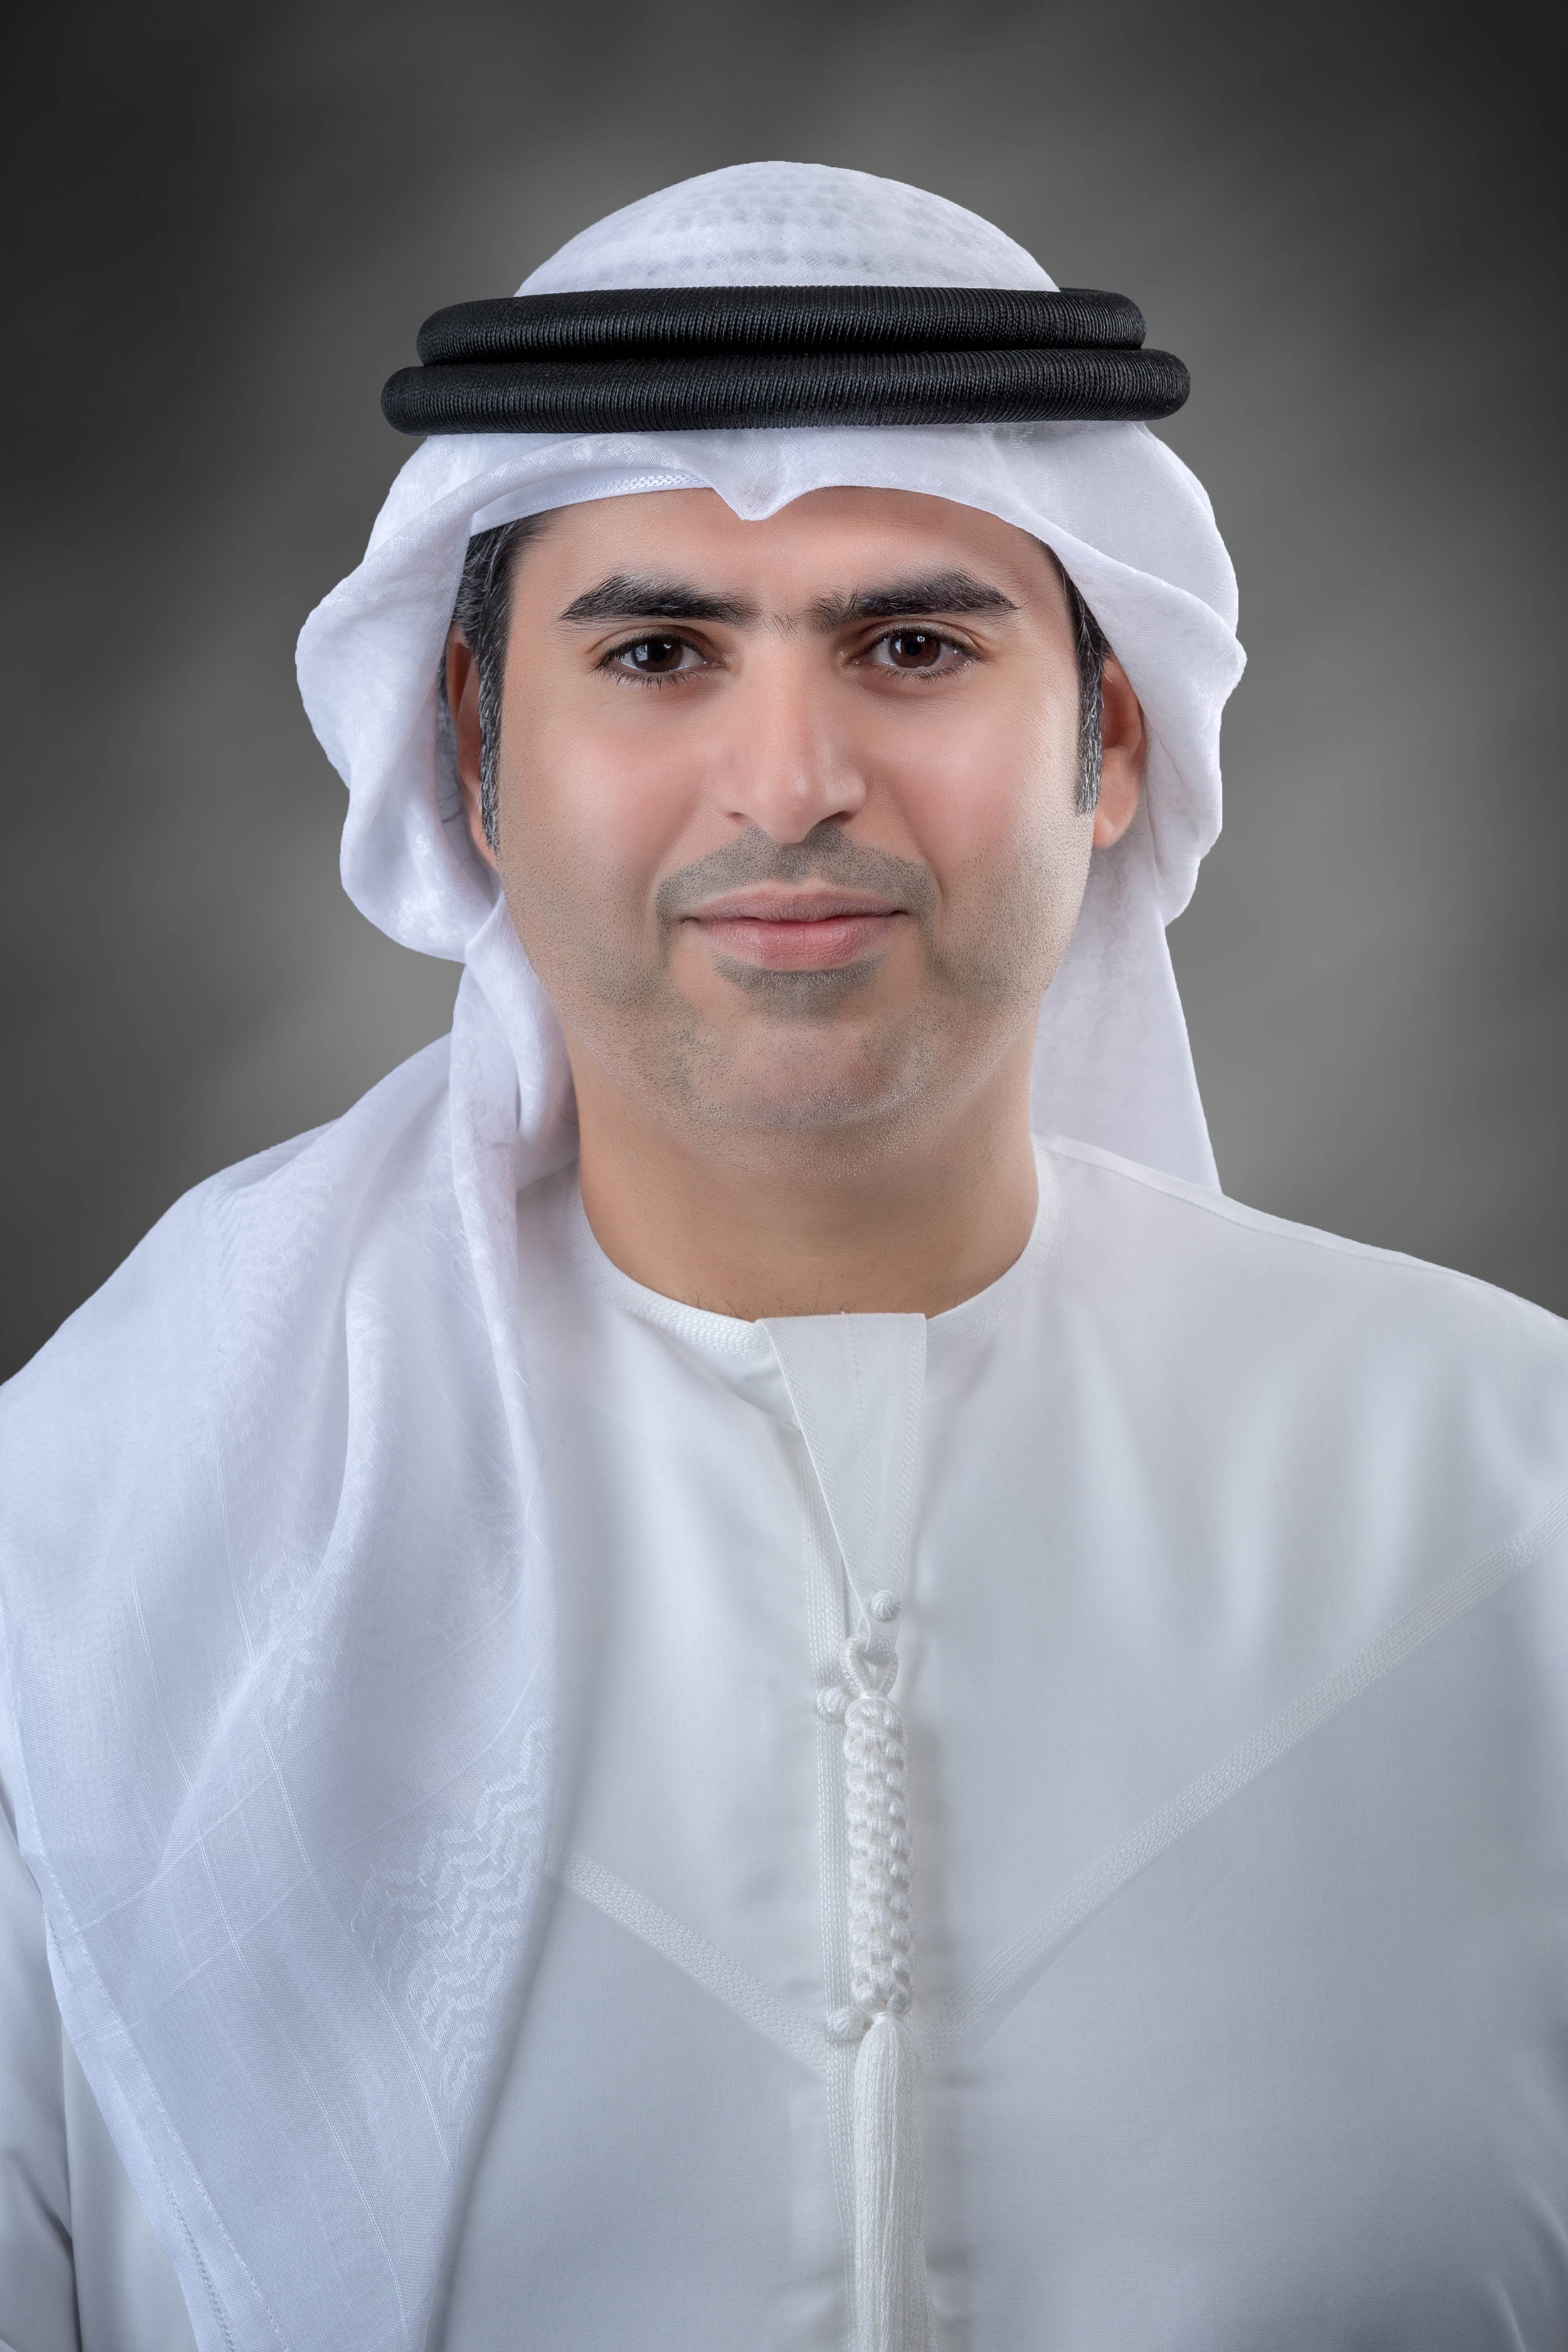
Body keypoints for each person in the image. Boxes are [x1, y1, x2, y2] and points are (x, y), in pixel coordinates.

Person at [2, 161, 1565, 2352]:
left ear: (1110, 743)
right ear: (475, 758)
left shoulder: (1509, 1498)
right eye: (657, 654)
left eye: (911, 646)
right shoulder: (92, 1555)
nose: (790, 781)